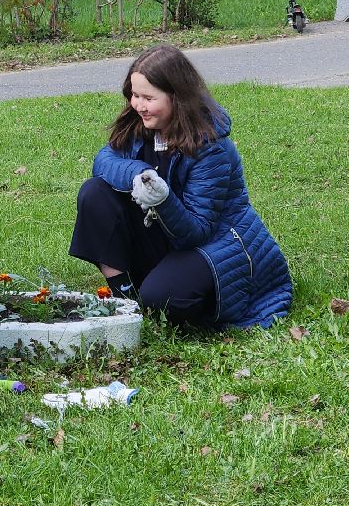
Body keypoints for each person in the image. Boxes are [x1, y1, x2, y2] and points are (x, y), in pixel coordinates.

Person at [69, 45, 292, 329]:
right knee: (94, 193)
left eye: (148, 97)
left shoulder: (212, 148)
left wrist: (162, 199)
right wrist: (139, 173)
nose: (138, 105)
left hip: (213, 244)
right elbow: (104, 160)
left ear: (177, 97)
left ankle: (158, 292)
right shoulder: (141, 124)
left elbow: (196, 232)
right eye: (134, 95)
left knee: (163, 299)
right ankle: (123, 298)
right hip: (163, 236)